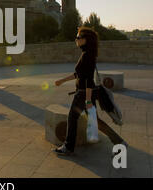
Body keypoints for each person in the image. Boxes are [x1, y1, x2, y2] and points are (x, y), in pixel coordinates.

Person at [53, 27, 126, 155]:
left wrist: (87, 100)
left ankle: (68, 147)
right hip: (86, 93)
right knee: (95, 120)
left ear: (85, 40)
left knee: (72, 118)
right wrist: (62, 81)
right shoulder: (87, 54)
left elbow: (87, 80)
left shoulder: (87, 55)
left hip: (83, 94)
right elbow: (79, 74)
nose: (76, 39)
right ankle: (118, 141)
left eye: (78, 37)